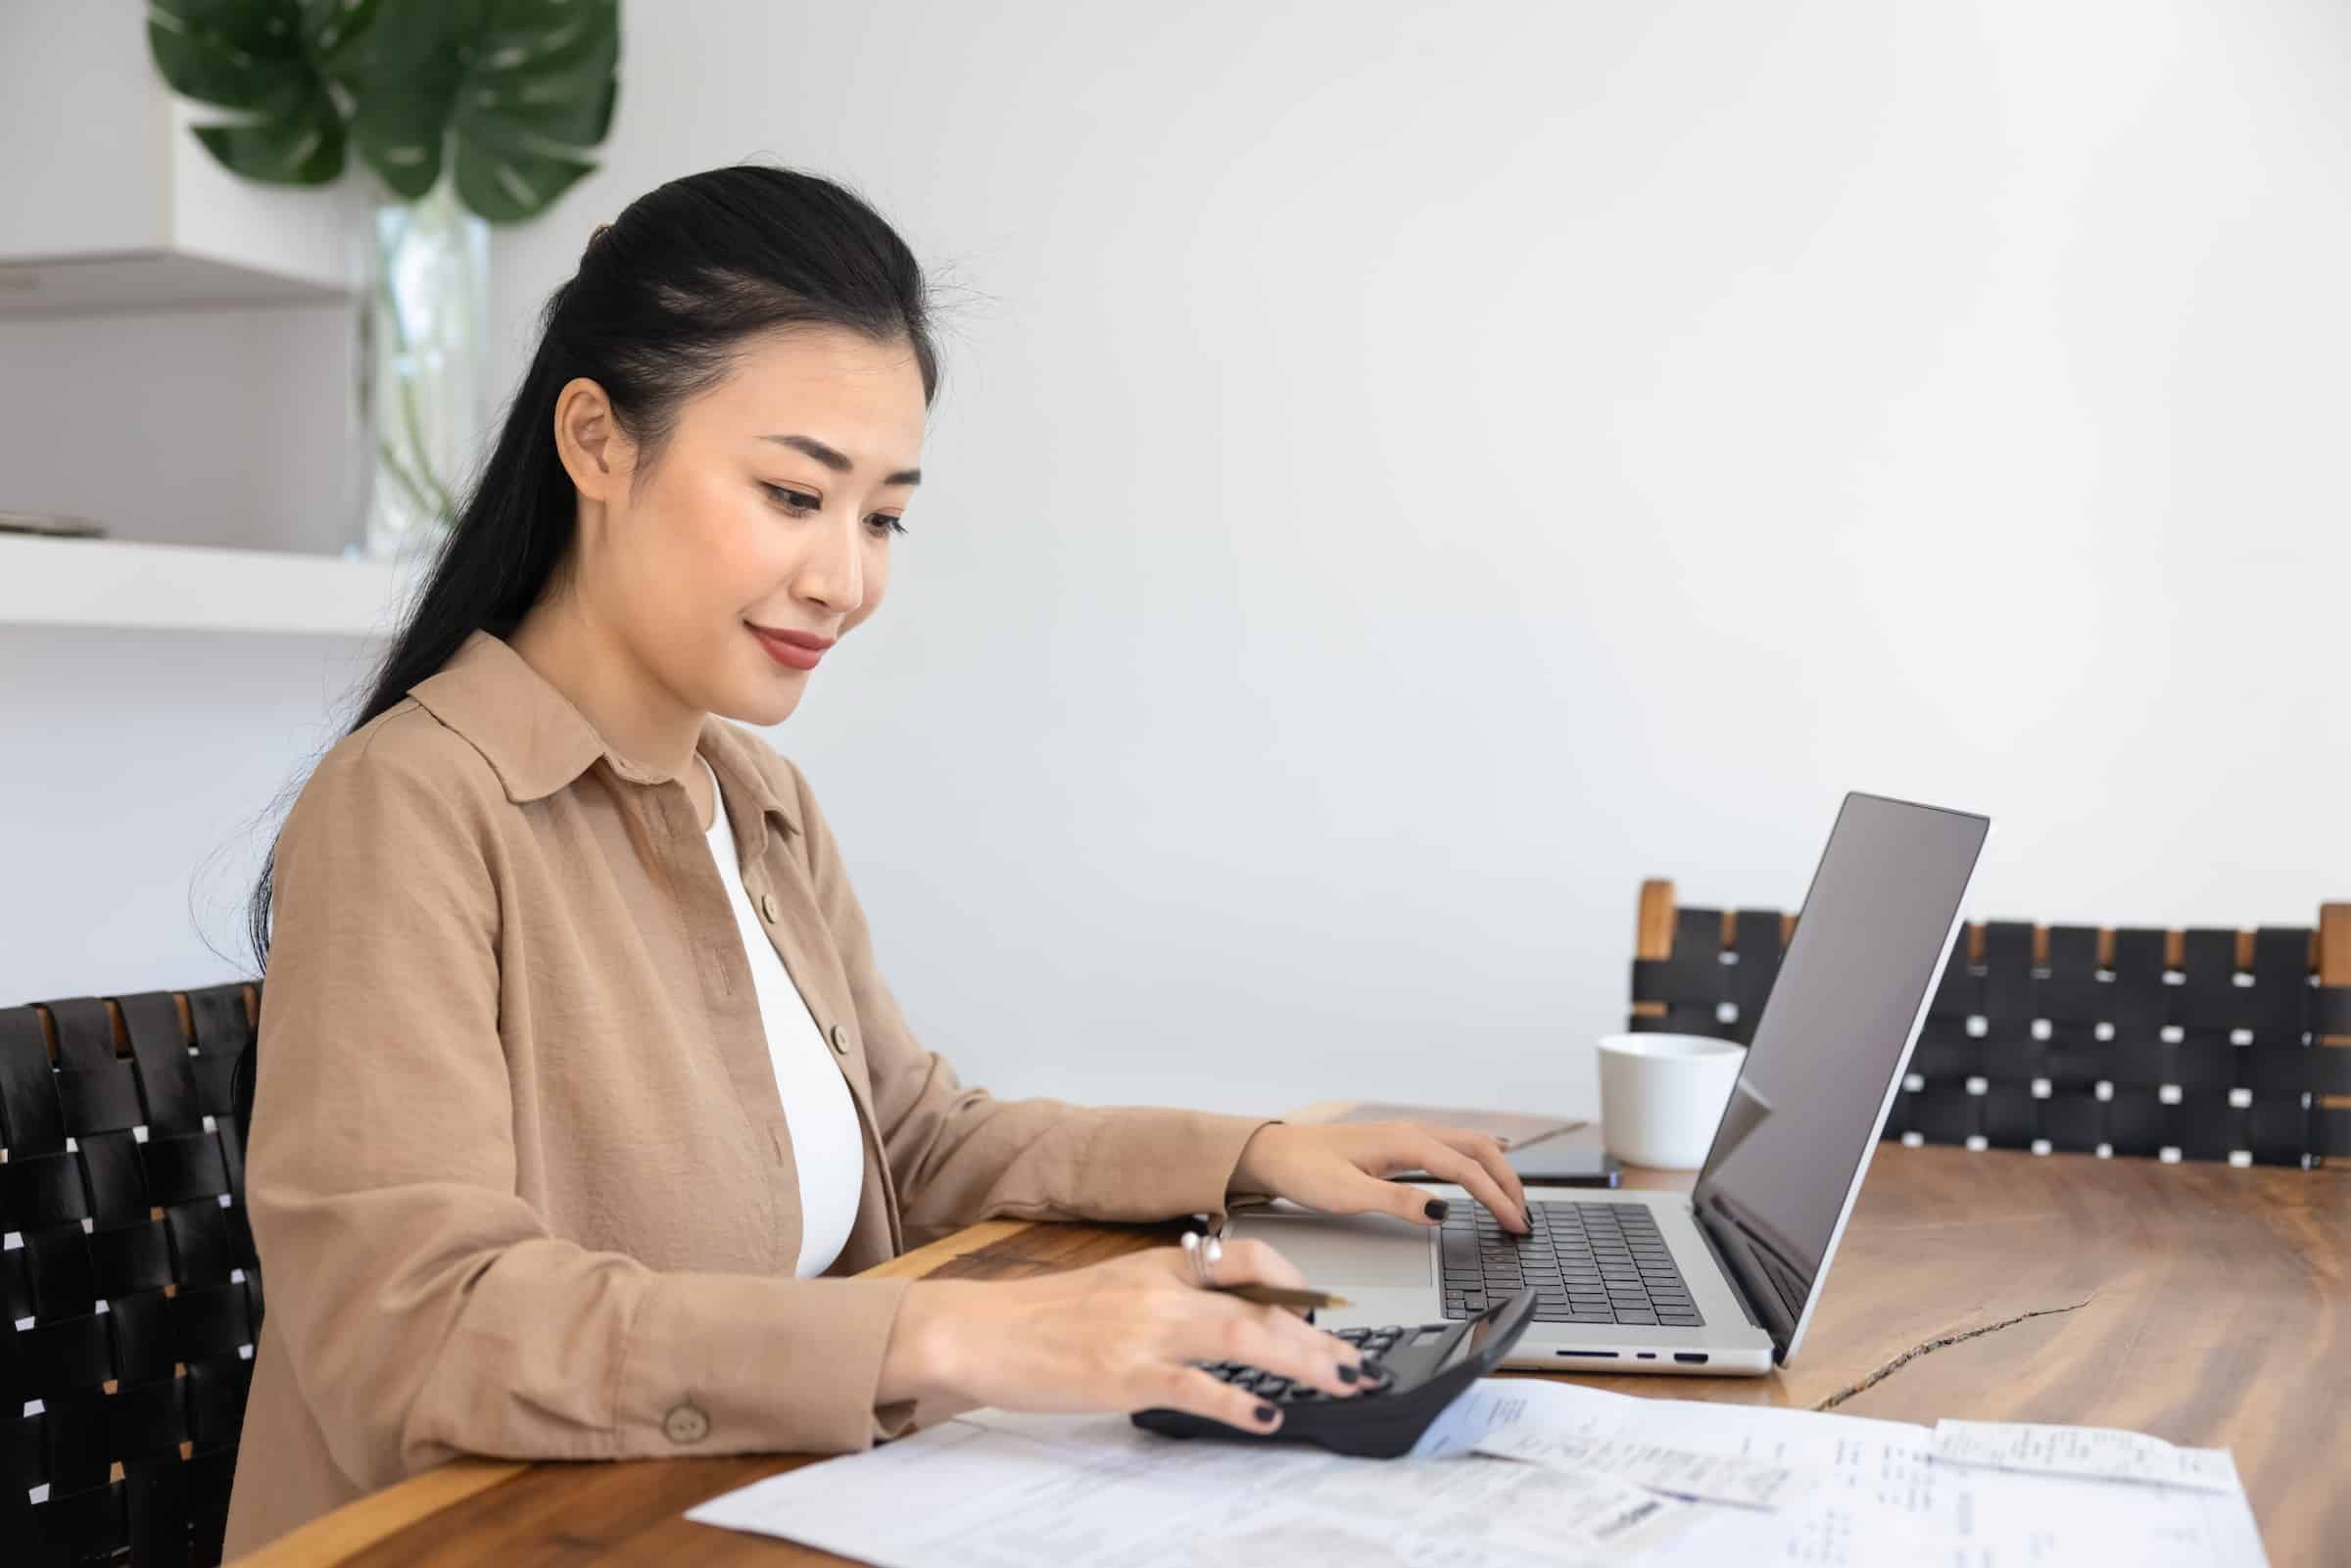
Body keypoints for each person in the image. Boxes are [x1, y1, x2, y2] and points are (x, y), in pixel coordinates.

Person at [220, 162, 1528, 1559]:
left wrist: (1259, 1153)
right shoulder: (409, 807)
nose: (847, 579)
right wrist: (947, 1330)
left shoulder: (757, 799)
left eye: (883, 514)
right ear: (598, 444)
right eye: (796, 494)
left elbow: (917, 1141)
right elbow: (417, 1326)